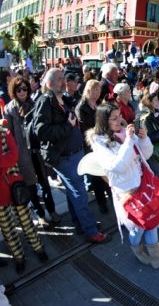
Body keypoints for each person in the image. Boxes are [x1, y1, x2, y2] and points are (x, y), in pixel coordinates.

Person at [88, 103, 159, 268]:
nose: (119, 120)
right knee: (139, 227)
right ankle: (139, 252)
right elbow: (117, 167)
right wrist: (129, 140)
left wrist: (143, 139)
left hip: (143, 183)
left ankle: (155, 258)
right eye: (113, 118)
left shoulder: (123, 133)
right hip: (127, 191)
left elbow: (146, 153)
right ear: (103, 121)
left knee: (152, 222)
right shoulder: (99, 142)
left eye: (119, 115)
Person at [33, 68, 110, 244]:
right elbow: (42, 131)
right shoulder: (45, 101)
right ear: (50, 83)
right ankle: (91, 231)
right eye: (60, 79)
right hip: (64, 157)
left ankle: (80, 223)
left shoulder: (63, 99)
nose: (64, 81)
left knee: (72, 192)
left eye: (64, 78)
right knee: (79, 193)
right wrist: (67, 126)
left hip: (75, 153)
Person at [3, 76, 60, 227]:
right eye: (19, 89)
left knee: (45, 183)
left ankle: (52, 210)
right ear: (14, 91)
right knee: (30, 186)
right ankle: (40, 214)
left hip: (37, 150)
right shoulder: (10, 109)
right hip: (22, 154)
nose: (22, 92)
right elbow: (9, 135)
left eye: (25, 89)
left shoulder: (34, 104)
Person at [0, 120, 48, 273]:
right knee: (7, 228)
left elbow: (13, 156)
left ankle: (38, 248)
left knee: (26, 221)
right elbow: (7, 159)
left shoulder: (4, 132)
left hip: (14, 188)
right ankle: (18, 256)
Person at [75, 79, 112, 214]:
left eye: (98, 90)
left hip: (103, 142)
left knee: (106, 172)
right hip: (91, 144)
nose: (97, 93)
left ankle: (111, 196)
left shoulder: (97, 105)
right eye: (94, 90)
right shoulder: (81, 107)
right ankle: (102, 203)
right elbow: (85, 128)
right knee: (97, 176)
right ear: (88, 90)